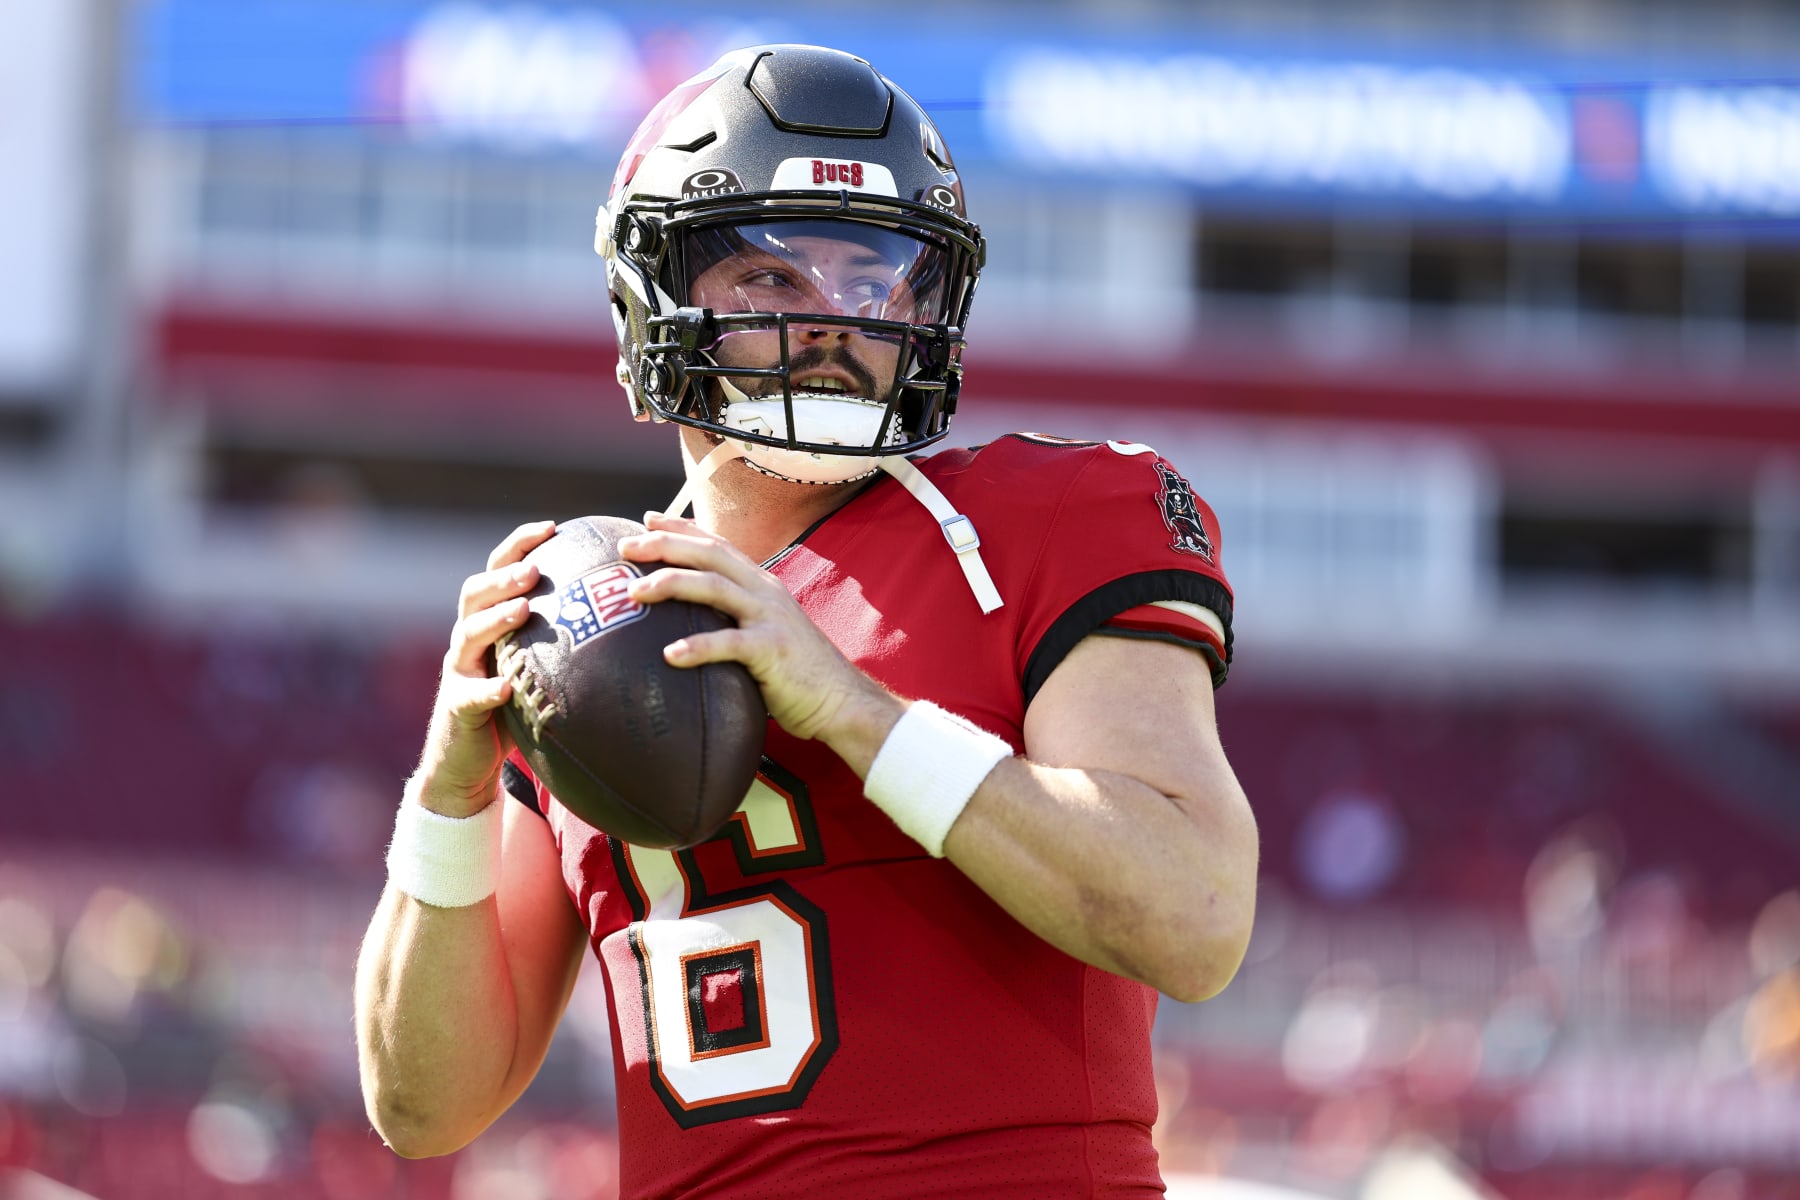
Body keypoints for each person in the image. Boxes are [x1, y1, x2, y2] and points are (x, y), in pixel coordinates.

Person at [354, 44, 1258, 1199]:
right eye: (774, 279)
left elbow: (1195, 916)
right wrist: (450, 790)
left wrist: (853, 711)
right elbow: (420, 1106)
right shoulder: (587, 623)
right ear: (656, 291)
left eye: (872, 281)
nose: (832, 319)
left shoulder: (1042, 521)